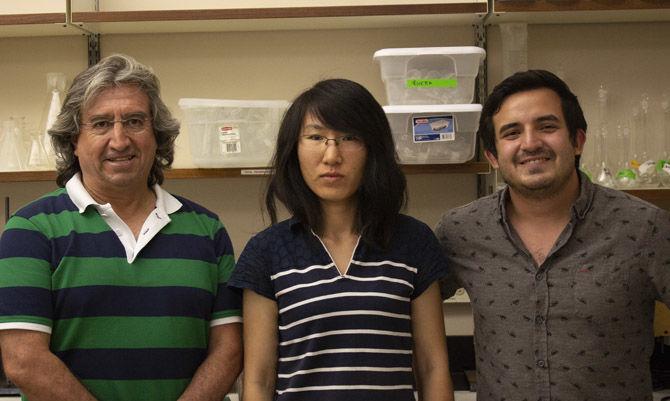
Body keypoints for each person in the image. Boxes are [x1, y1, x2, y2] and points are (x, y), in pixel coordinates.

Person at [0, 54, 242, 401]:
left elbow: (228, 350)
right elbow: (23, 361)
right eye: (100, 124)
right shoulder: (31, 230)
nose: (119, 140)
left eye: (134, 121)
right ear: (73, 140)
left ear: (157, 134)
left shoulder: (206, 230)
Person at [435, 69, 670, 401]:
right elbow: (401, 307)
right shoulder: (461, 232)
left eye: (547, 126)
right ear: (493, 156)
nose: (530, 143)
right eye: (512, 132)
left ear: (577, 141)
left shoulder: (644, 228)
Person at [228, 78, 454, 401]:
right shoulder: (266, 251)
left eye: (349, 138)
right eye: (316, 137)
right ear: (295, 148)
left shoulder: (414, 242)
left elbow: (433, 367)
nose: (332, 155)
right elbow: (258, 379)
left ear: (372, 148)